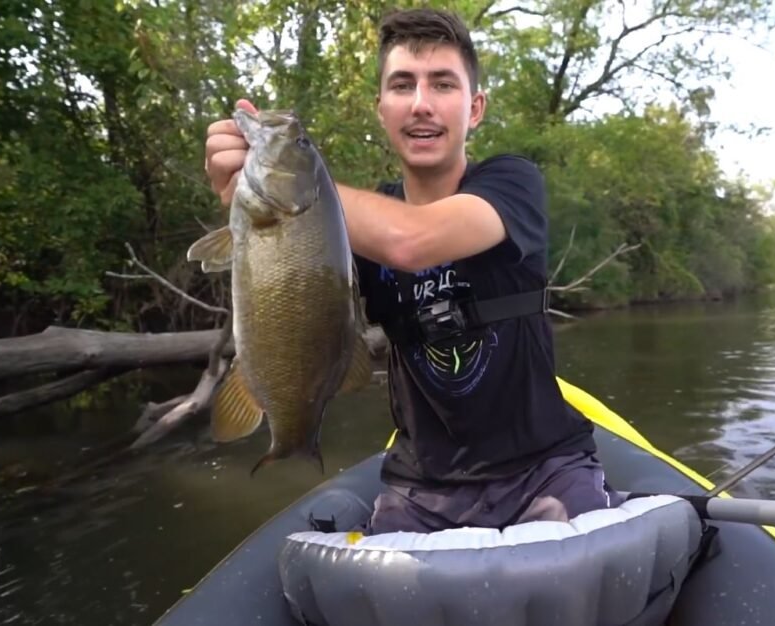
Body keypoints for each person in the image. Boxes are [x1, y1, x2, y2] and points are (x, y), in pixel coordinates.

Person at [204, 7, 613, 534]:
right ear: (381, 109)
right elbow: (287, 289)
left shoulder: (514, 183)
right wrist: (242, 198)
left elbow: (410, 240)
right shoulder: (349, 227)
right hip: (422, 485)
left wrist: (284, 187)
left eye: (443, 84)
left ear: (476, 107)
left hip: (544, 469)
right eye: (402, 85)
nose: (421, 104)